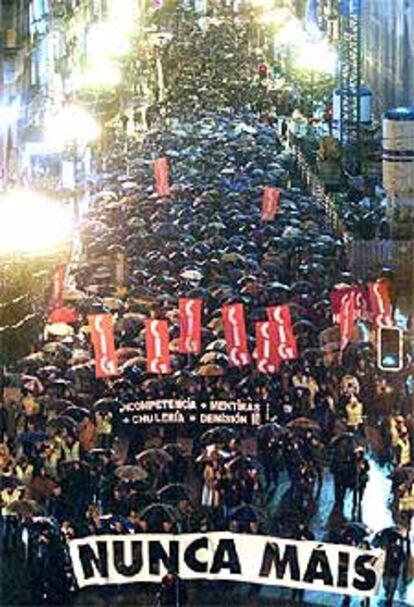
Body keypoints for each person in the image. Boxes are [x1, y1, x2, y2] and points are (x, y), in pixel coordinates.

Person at [382, 540, 405, 606]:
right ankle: (387, 592)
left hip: (395, 571)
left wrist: (397, 556)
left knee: (392, 587)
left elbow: (403, 558)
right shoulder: (386, 548)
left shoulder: (399, 548)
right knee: (385, 584)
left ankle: (390, 600)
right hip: (386, 570)